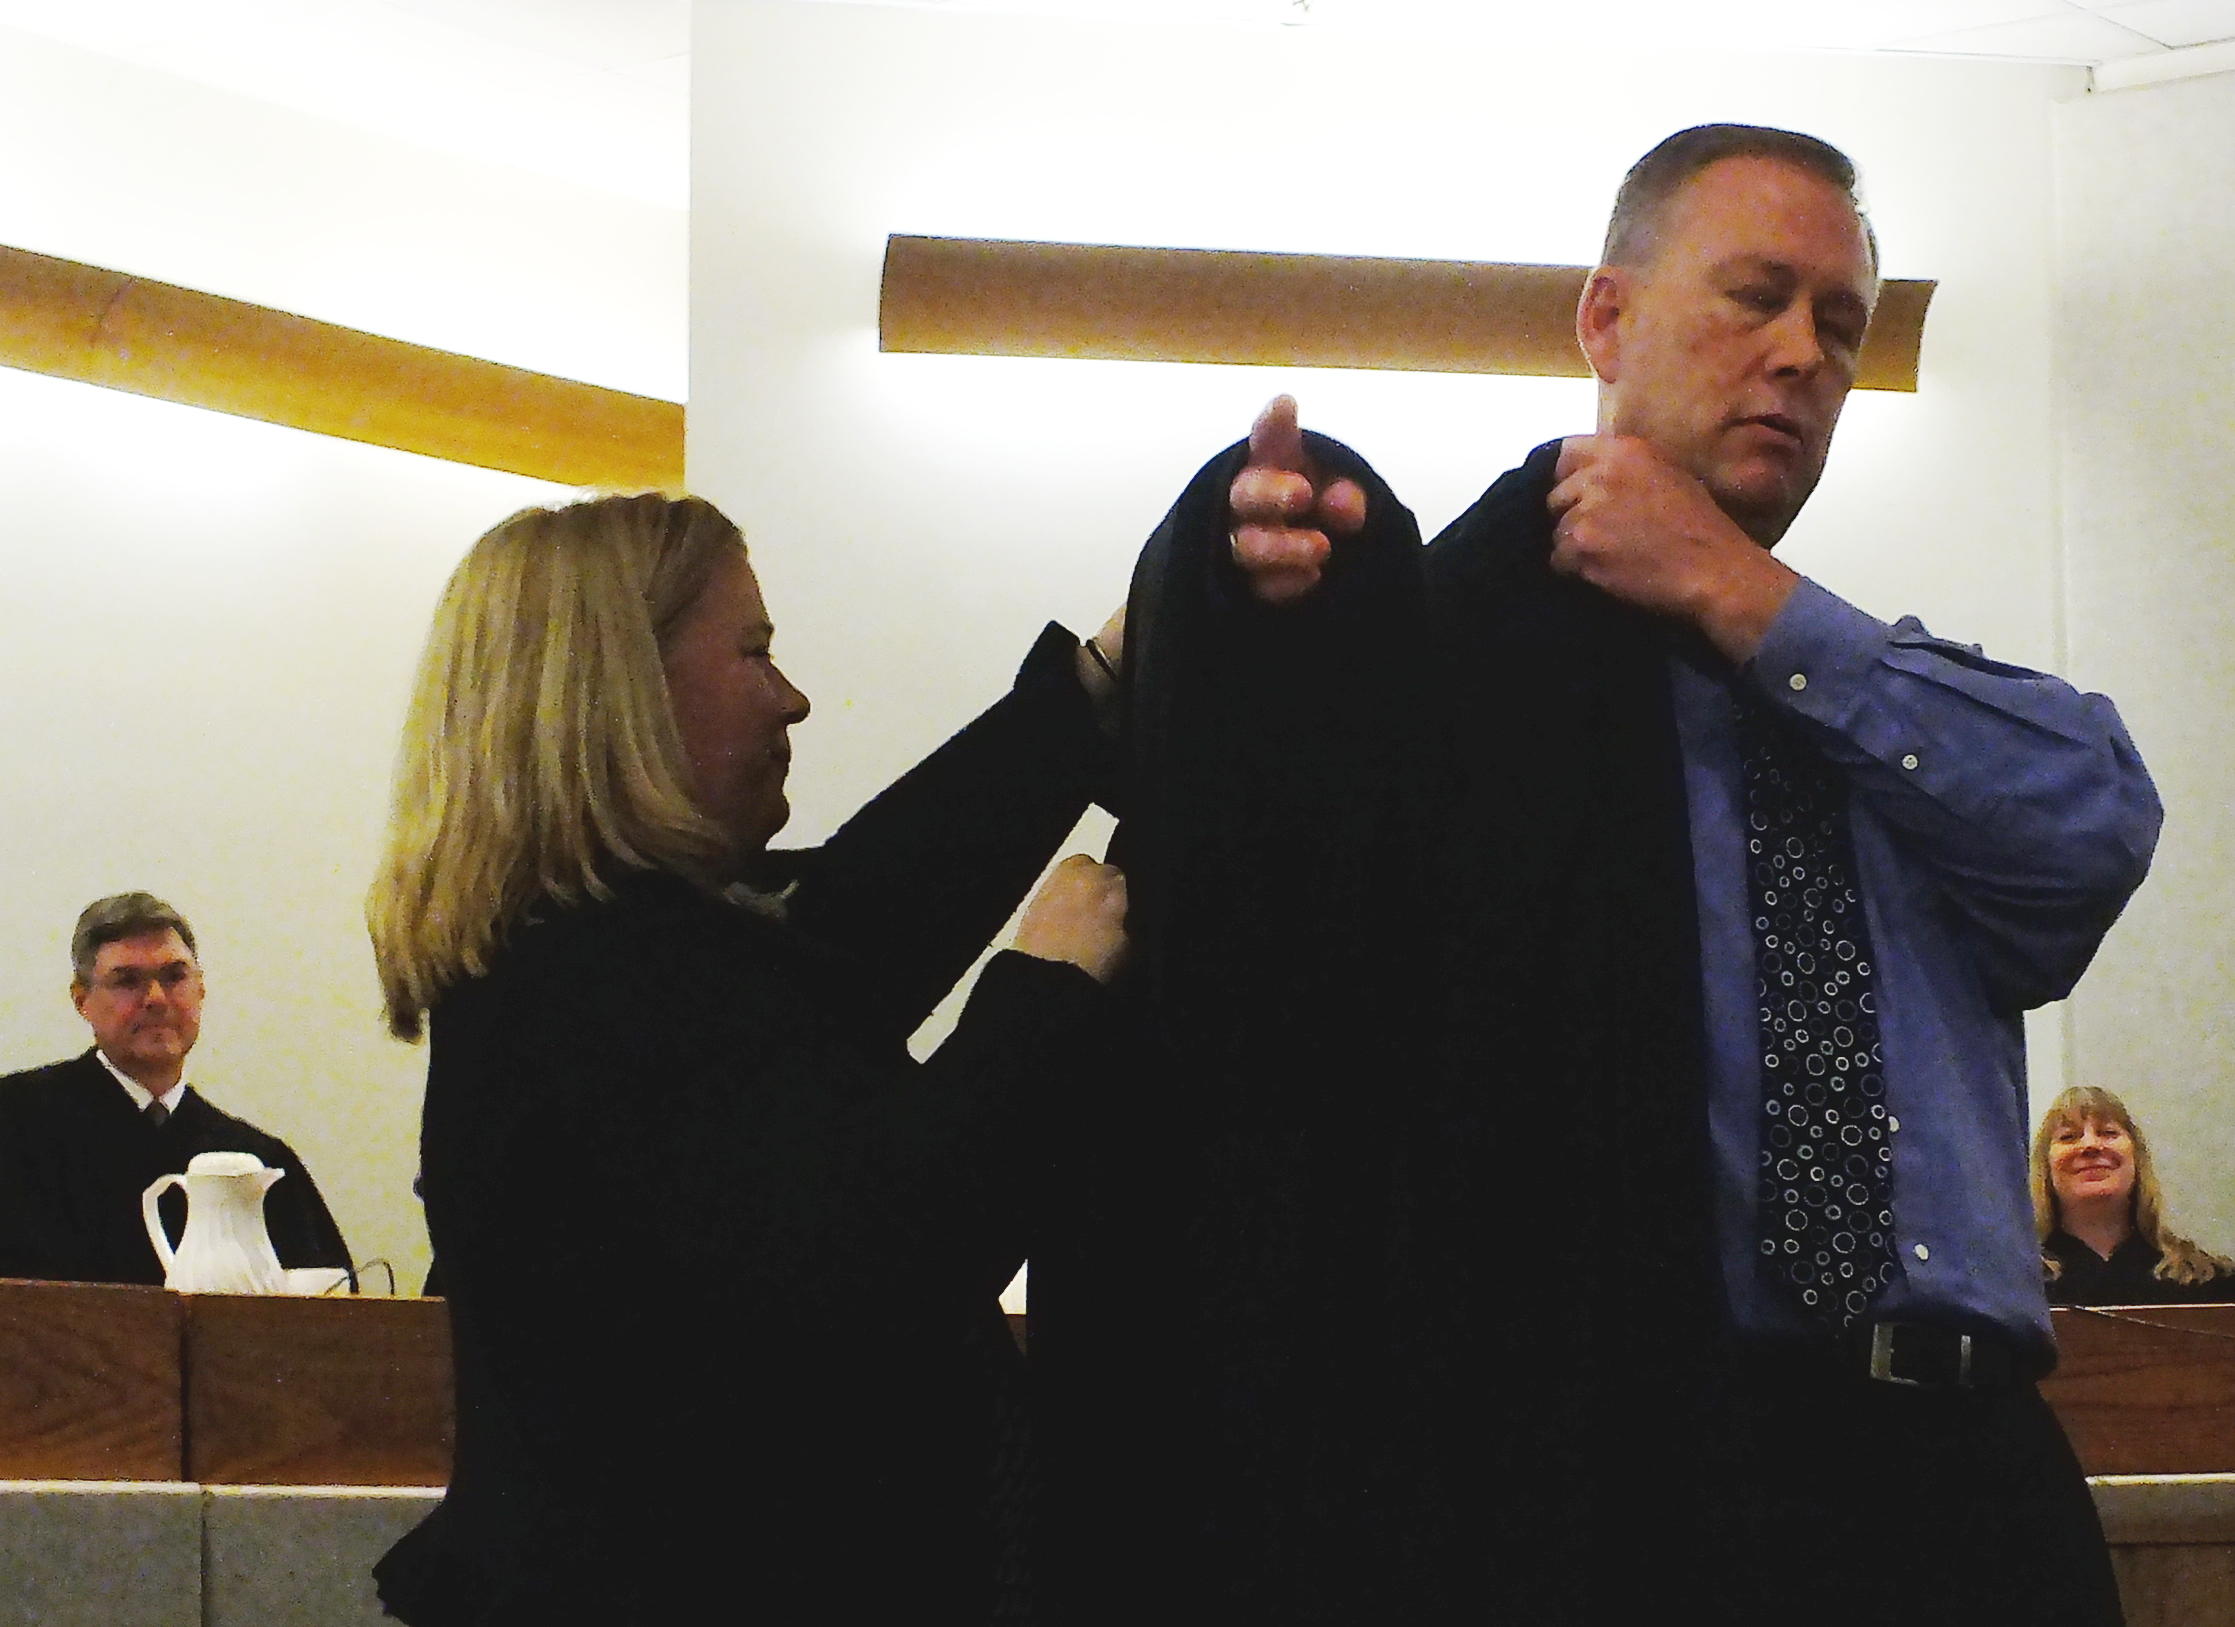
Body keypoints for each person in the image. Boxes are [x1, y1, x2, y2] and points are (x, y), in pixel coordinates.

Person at [1043, 125, 2162, 1625]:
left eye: (1837, 325)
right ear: (1602, 317)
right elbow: (1262, 925)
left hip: (1966, 1477)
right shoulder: (1471, 675)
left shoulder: (1876, 710)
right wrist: (1234, 591)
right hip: (1652, 1477)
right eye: (1752, 295)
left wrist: (1744, 595)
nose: (1799, 354)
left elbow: (2090, 816)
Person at [365, 492, 1126, 1626]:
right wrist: (1043, 993)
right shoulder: (595, 1002)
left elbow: (872, 902)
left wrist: (1096, 684)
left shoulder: (608, 964)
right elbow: (888, 1264)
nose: (793, 697)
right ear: (618, 693)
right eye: (755, 651)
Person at [0, 892, 352, 1285]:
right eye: (127, 981)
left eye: (175, 976)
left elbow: (334, 1315)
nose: (155, 998)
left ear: (201, 989)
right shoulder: (13, 1124)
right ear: (82, 1001)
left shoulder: (257, 1162)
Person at [2035, 1085, 2235, 1305]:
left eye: (2108, 1133)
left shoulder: (2209, 1280)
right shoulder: (2015, 1285)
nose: (2090, 1145)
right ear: (2045, 1167)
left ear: (2137, 1159)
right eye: (2068, 1137)